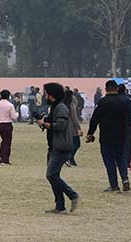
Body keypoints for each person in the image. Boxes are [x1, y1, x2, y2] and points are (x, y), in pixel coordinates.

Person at [40, 82, 79, 214]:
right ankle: (60, 206)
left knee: (51, 175)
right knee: (53, 176)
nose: (44, 96)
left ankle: (72, 195)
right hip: (53, 146)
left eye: (45, 94)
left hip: (61, 146)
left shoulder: (61, 108)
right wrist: (44, 121)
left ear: (51, 95)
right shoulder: (55, 107)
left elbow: (60, 125)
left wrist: (46, 124)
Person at [87, 80, 131, 192]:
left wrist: (90, 133)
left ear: (106, 89)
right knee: (121, 157)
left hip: (106, 135)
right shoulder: (123, 102)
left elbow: (95, 118)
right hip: (121, 135)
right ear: (116, 89)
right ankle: (125, 179)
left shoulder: (102, 102)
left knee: (109, 160)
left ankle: (114, 185)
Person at [0, 89, 17, 165]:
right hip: (7, 124)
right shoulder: (10, 105)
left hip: (0, 124)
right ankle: (5, 159)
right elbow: (14, 117)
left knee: (4, 140)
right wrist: (17, 115)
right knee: (7, 142)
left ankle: (0, 154)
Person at [64, 89, 83, 167]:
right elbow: (74, 117)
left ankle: (71, 159)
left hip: (64, 126)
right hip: (72, 127)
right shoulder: (71, 105)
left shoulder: (62, 105)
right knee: (77, 143)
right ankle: (69, 157)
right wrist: (79, 128)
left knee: (70, 144)